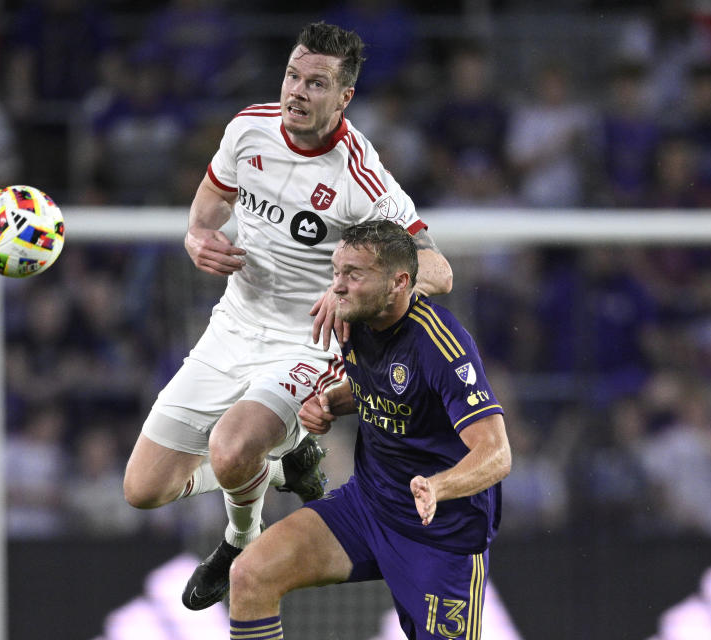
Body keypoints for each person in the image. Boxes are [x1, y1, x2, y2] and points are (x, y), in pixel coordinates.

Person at [121, 22, 453, 611]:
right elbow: (211, 197)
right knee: (144, 490)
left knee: (230, 449)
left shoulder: (361, 178)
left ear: (344, 97)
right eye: (292, 76)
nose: (297, 92)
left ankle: (236, 545)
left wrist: (354, 291)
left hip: (310, 342)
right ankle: (283, 467)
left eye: (316, 83)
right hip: (232, 325)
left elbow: (437, 272)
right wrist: (197, 235)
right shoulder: (249, 129)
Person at [227, 220, 510, 639]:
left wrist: (438, 487)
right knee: (250, 573)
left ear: (399, 283)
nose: (337, 287)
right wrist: (329, 403)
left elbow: (497, 453)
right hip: (369, 507)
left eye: (353, 275)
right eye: (336, 272)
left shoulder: (439, 344)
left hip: (440, 536)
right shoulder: (353, 318)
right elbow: (382, 390)